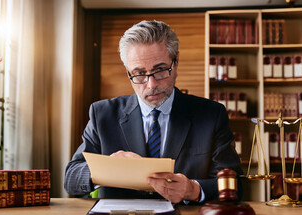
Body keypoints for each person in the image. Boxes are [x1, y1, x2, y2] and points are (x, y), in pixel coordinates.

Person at [64, 20, 243, 204]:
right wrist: (108, 168)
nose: (151, 85)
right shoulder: (102, 114)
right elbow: (70, 178)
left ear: (176, 62)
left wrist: (194, 190)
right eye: (139, 74)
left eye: (160, 70)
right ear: (128, 73)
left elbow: (236, 184)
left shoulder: (211, 115)